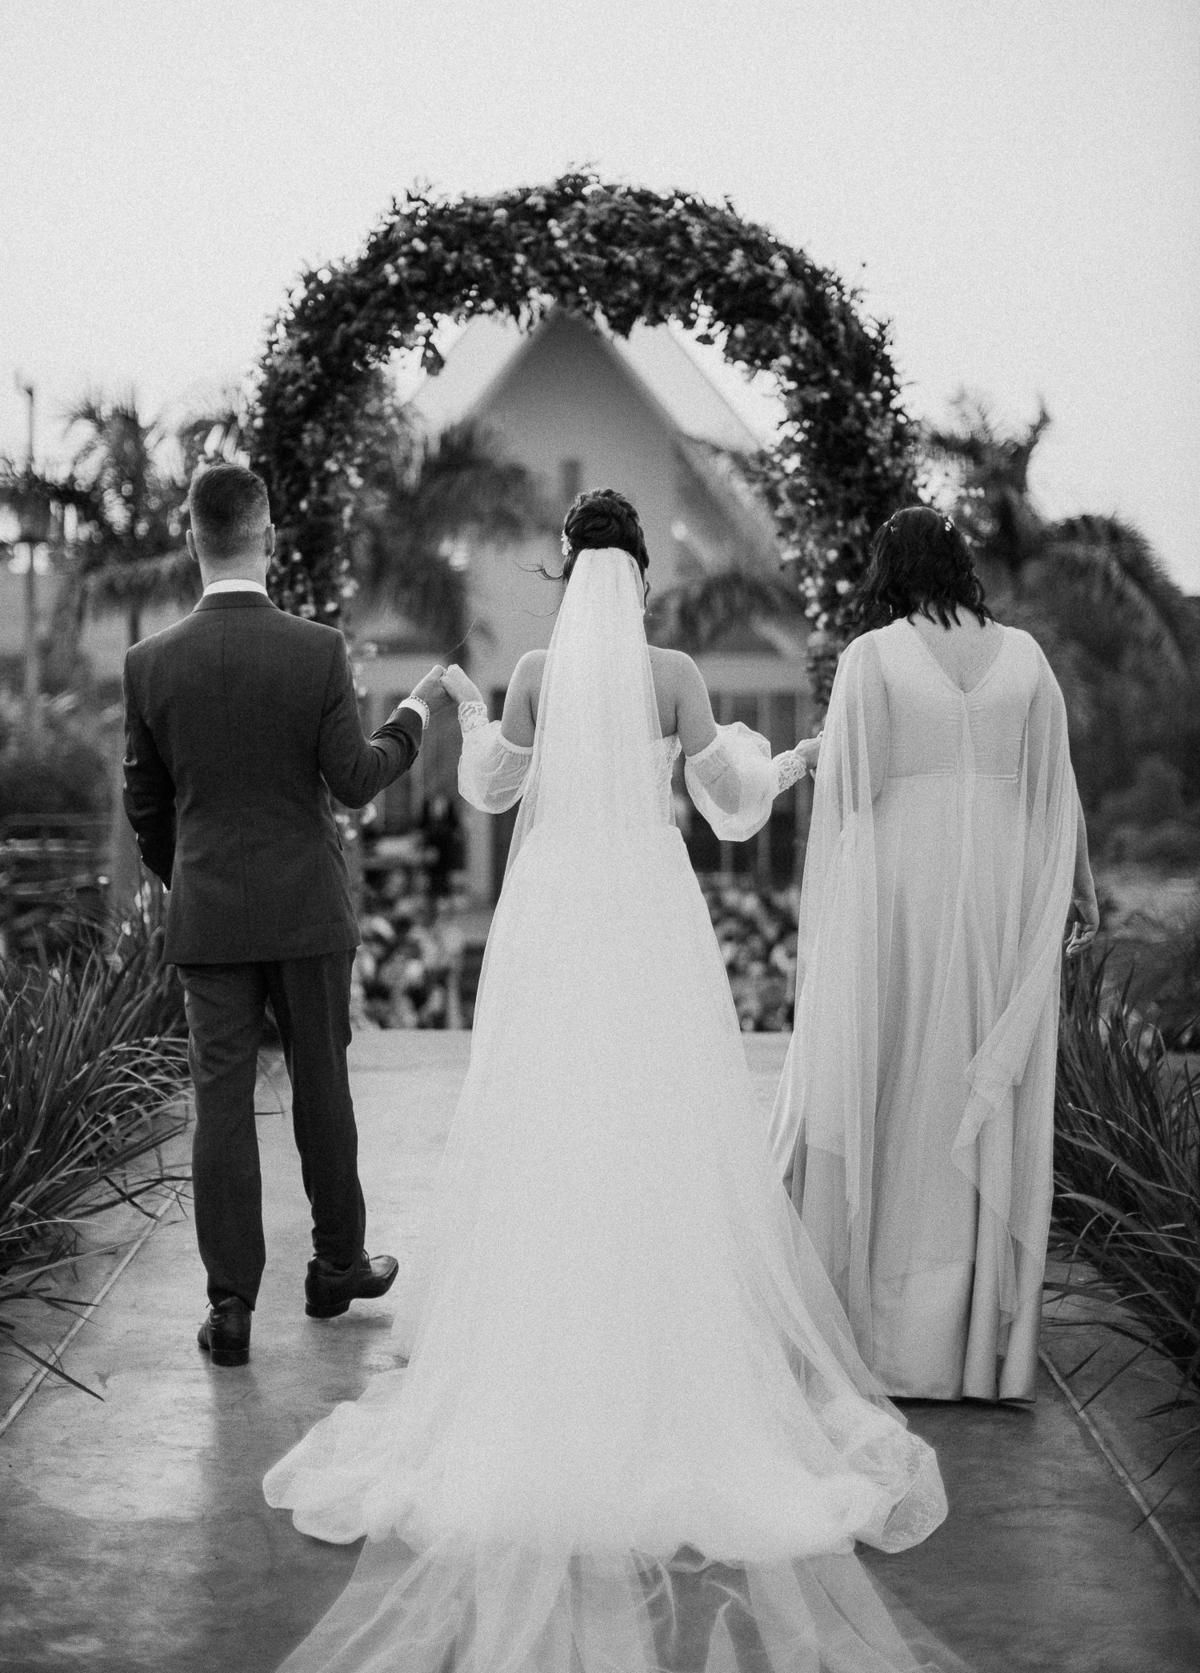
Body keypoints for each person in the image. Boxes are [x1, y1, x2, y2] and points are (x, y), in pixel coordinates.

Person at [263, 489, 956, 1673]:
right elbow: (728, 810)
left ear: (567, 575)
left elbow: (489, 788)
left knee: (548, 1127)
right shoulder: (679, 674)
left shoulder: (536, 670)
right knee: (660, 1129)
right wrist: (785, 760)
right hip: (646, 907)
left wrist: (477, 710)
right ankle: (666, 1347)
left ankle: (546, 1348)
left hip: (554, 914)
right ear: (639, 574)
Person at [121, 461, 448, 1369]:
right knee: (323, 1086)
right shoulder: (316, 650)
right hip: (307, 910)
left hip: (210, 915)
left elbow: (144, 807)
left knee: (219, 1103)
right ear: (267, 535)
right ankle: (336, 1266)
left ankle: (230, 1309)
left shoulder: (149, 665)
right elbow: (354, 779)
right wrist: (412, 719)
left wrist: (191, 876)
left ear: (192, 538)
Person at [769, 506, 1098, 1403]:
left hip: (901, 884)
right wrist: (1079, 886)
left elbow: (855, 787)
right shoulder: (1025, 657)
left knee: (900, 1076)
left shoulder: (874, 657)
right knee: (974, 1080)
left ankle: (889, 1331)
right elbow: (1054, 787)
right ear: (960, 565)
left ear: (890, 571)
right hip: (999, 880)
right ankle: (969, 1335)